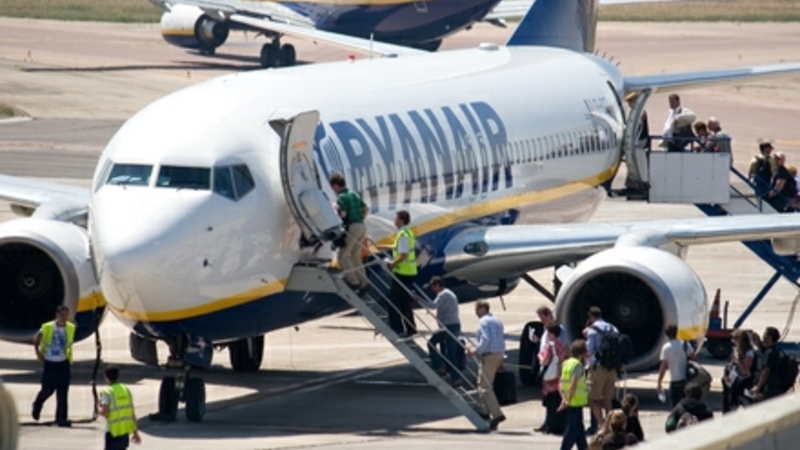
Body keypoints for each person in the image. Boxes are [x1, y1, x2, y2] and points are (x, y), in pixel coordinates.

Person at [32, 305, 75, 426]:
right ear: (57, 315)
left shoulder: (70, 327)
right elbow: (36, 338)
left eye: (66, 315)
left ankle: (61, 418)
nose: (64, 317)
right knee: (47, 390)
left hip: (63, 363)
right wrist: (38, 352)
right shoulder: (48, 327)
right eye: (62, 315)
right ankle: (38, 404)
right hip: (50, 363)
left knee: (63, 392)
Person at [415, 276, 462, 387]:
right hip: (454, 325)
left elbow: (433, 305)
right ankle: (456, 378)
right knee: (451, 354)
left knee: (431, 343)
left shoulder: (443, 294)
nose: (432, 290)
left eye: (433, 287)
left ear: (437, 285)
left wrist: (418, 299)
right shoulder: (449, 293)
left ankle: (439, 366)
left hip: (447, 327)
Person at [329, 173, 370, 295]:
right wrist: (360, 219)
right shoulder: (353, 193)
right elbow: (366, 208)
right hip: (362, 226)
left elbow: (343, 214)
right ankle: (365, 282)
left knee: (342, 256)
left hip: (352, 227)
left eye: (333, 188)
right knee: (355, 256)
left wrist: (335, 210)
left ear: (335, 186)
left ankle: (354, 282)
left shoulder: (342, 197)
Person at [467, 300, 506, 430]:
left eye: (477, 309)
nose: (476, 312)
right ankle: (485, 410)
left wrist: (476, 350)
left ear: (483, 309)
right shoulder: (497, 321)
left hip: (489, 356)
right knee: (480, 382)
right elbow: (501, 340)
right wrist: (501, 359)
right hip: (498, 355)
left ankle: (497, 414)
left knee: (485, 387)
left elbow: (486, 339)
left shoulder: (483, 321)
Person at [379, 210, 418, 336]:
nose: (394, 221)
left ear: (401, 220)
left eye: (396, 219)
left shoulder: (402, 235)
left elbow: (404, 254)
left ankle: (397, 328)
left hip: (403, 272)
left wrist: (392, 264)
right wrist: (386, 247)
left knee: (393, 299)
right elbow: (400, 248)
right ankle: (411, 329)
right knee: (404, 301)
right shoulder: (407, 232)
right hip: (409, 271)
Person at [584, 307, 618, 434]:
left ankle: (602, 424)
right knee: (608, 400)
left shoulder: (592, 330)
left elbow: (589, 351)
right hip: (611, 368)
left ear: (591, 317)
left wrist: (585, 337)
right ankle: (611, 426)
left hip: (597, 367)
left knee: (593, 399)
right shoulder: (612, 328)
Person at [97, 366, 141, 449]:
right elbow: (132, 413)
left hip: (112, 432)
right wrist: (135, 432)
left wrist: (97, 409)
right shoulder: (126, 390)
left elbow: (104, 412)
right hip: (124, 433)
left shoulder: (106, 392)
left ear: (106, 377)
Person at [537, 323, 569, 434]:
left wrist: (539, 356)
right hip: (559, 376)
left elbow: (544, 360)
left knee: (550, 404)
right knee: (559, 401)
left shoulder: (550, 346)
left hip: (550, 378)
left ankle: (551, 426)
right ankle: (561, 425)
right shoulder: (562, 345)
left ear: (551, 333)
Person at [558, 339, 589, 450]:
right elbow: (573, 384)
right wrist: (568, 400)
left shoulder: (566, 363)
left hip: (570, 400)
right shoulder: (578, 366)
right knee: (572, 430)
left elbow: (561, 383)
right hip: (575, 401)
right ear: (582, 353)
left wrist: (563, 398)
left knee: (579, 429)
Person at [657, 324, 695, 407]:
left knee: (676, 407)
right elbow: (694, 358)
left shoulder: (666, 348)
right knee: (686, 406)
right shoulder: (685, 344)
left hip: (674, 381)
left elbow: (663, 367)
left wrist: (659, 381)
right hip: (686, 380)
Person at [752, 326, 793, 400]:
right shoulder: (777, 349)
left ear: (769, 337)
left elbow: (766, 371)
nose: (763, 337)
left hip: (771, 387)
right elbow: (763, 348)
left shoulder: (770, 353)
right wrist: (758, 343)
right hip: (778, 386)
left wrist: (758, 387)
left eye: (765, 334)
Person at [722, 328, 757, 412]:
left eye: (735, 339)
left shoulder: (749, 353)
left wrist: (739, 360)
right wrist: (726, 375)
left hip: (744, 383)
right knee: (729, 404)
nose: (733, 341)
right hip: (733, 381)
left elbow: (745, 370)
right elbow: (731, 365)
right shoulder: (736, 350)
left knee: (746, 405)